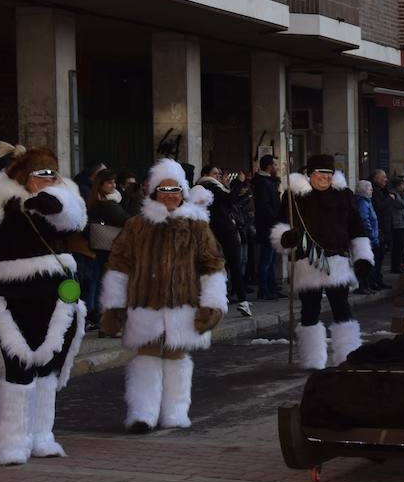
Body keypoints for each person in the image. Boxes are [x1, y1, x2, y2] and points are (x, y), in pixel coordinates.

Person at [0, 144, 89, 465]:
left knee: (48, 369)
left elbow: (72, 220)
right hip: (13, 295)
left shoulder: (63, 201)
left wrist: (51, 202)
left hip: (55, 294)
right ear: (25, 177)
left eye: (53, 174)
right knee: (17, 370)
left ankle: (42, 435)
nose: (49, 179)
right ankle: (12, 441)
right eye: (42, 174)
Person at [100, 158, 228, 432]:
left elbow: (213, 266)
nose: (169, 196)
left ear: (183, 193)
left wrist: (213, 305)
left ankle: (175, 413)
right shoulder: (137, 225)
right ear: (154, 192)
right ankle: (142, 414)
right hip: (144, 305)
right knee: (146, 356)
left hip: (183, 306)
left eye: (175, 190)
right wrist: (113, 306)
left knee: (175, 357)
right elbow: (118, 265)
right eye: (164, 190)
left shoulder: (197, 227)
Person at [270, 155, 373, 370]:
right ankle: (312, 359)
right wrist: (285, 238)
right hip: (307, 262)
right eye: (320, 174)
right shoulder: (294, 196)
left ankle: (348, 356)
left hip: (337, 262)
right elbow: (280, 225)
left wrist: (363, 256)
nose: (325, 178)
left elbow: (357, 227)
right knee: (309, 309)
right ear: (310, 174)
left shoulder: (344, 196)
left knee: (341, 308)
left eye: (329, 174)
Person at [198, 167, 252, 317]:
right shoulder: (210, 186)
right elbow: (228, 200)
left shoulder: (213, 187)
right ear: (205, 175)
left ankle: (235, 299)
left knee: (227, 267)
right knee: (232, 266)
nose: (218, 177)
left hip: (219, 230)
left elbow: (230, 202)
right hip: (223, 231)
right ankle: (242, 301)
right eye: (215, 174)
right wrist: (239, 183)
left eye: (219, 174)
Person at [86, 168, 129, 330]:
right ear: (100, 184)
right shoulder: (106, 204)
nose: (113, 185)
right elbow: (126, 220)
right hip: (107, 248)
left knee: (99, 283)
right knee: (107, 285)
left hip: (98, 248)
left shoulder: (96, 200)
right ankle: (104, 320)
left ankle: (99, 317)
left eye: (114, 182)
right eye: (109, 182)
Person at [252, 156, 284, 300]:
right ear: (269, 166)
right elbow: (265, 206)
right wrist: (276, 220)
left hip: (272, 225)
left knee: (270, 260)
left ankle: (271, 287)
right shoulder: (262, 182)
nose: (277, 167)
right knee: (266, 260)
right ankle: (264, 290)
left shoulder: (269, 181)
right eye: (275, 164)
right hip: (267, 226)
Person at [355, 180, 382, 295]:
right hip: (367, 238)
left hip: (370, 237)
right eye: (369, 188)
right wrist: (371, 235)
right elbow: (364, 220)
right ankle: (363, 286)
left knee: (368, 263)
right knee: (365, 263)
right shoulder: (362, 203)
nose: (371, 190)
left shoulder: (367, 201)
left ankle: (367, 285)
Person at [369, 169, 390, 287]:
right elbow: (380, 207)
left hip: (383, 229)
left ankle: (378, 280)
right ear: (376, 179)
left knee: (380, 257)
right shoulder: (375, 193)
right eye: (384, 178)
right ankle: (374, 281)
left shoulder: (382, 191)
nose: (386, 180)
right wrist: (389, 199)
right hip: (378, 230)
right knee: (376, 257)